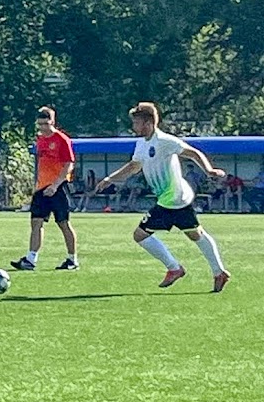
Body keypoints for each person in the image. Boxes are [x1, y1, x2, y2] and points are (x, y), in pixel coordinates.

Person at [95, 102, 230, 292]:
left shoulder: (166, 141)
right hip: (175, 198)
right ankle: (219, 272)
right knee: (195, 233)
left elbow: (192, 153)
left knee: (140, 235)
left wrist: (209, 170)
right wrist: (110, 179)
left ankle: (174, 268)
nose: (134, 127)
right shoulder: (142, 143)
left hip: (172, 198)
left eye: (136, 122)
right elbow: (134, 166)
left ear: (149, 122)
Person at [11, 106, 79, 271]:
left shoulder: (62, 140)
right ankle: (31, 259)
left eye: (45, 124)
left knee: (63, 223)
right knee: (36, 222)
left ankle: (72, 260)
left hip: (58, 187)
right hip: (42, 188)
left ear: (52, 122)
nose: (43, 128)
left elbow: (69, 164)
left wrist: (55, 185)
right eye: (40, 124)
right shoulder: (40, 140)